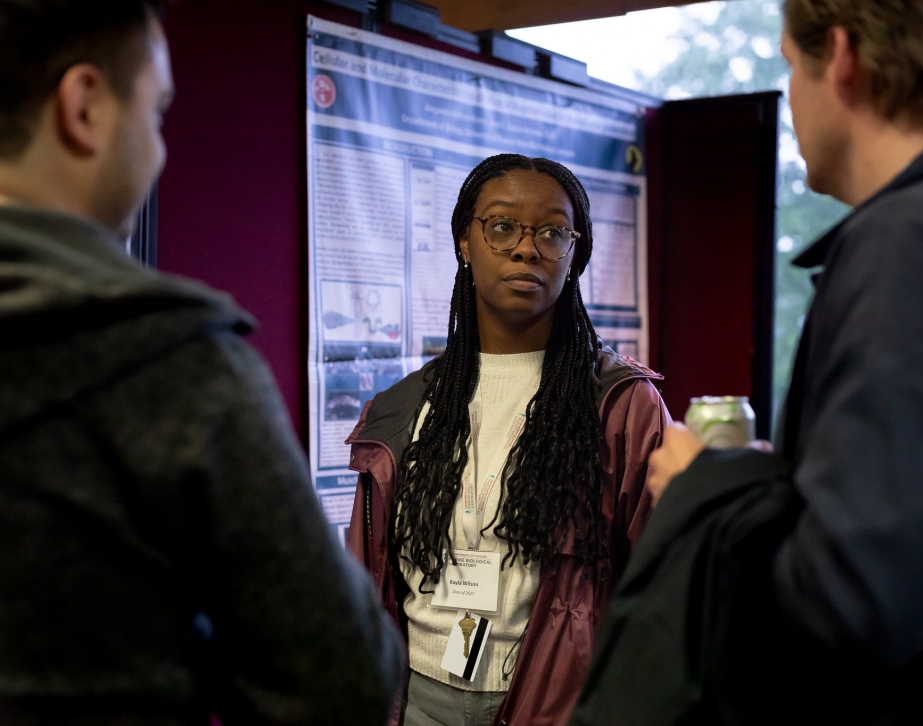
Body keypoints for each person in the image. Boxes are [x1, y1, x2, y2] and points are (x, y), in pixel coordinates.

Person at [647, 0, 923, 723]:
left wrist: (706, 497)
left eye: (792, 65)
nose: (790, 95)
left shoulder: (904, 247)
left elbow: (853, 603)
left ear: (844, 58)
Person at [0, 2, 403, 723]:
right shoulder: (174, 364)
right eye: (155, 113)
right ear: (84, 105)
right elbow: (341, 681)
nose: (159, 151)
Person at [344, 154, 670, 726]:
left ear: (575, 254)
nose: (526, 249)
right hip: (413, 697)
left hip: (555, 704)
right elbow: (365, 581)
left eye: (552, 232)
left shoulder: (620, 407)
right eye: (501, 227)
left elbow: (661, 589)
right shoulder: (402, 409)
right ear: (464, 243)